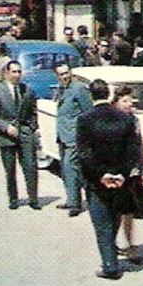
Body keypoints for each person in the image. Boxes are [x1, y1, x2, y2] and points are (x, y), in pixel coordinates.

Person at [76, 79, 143, 279]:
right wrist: (121, 174)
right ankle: (110, 256)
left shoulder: (84, 120)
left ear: (91, 95)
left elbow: (84, 153)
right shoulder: (125, 119)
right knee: (114, 217)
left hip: (97, 182)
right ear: (108, 94)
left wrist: (101, 174)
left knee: (101, 222)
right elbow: (132, 151)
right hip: (121, 180)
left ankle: (110, 265)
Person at [0, 59, 41, 209]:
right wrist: (6, 127)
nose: (17, 75)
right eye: (14, 72)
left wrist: (31, 127)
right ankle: (13, 199)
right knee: (10, 169)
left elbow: (33, 112)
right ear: (7, 73)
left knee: (30, 167)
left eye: (19, 72)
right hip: (7, 137)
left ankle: (33, 199)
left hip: (25, 134)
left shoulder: (27, 90)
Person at [53, 61, 94, 216]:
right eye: (61, 74)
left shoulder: (78, 89)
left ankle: (75, 204)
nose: (65, 76)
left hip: (74, 136)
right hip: (63, 135)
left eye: (66, 73)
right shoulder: (61, 89)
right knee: (65, 169)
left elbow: (87, 112)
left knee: (71, 168)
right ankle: (71, 199)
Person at [111, 86, 143, 263]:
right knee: (117, 210)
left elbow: (139, 145)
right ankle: (112, 242)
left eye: (130, 100)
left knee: (128, 210)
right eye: (125, 100)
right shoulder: (111, 120)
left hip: (131, 171)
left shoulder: (134, 120)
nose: (129, 104)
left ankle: (130, 245)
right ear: (116, 102)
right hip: (115, 172)